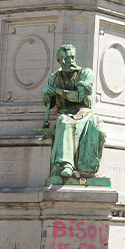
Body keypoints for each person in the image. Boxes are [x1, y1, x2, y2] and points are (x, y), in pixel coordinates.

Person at [42, 44, 104, 179]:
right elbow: (50, 103)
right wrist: (47, 94)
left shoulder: (86, 73)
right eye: (65, 58)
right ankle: (67, 164)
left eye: (72, 57)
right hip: (65, 113)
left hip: (85, 112)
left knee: (97, 128)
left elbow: (80, 96)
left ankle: (89, 167)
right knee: (64, 123)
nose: (70, 61)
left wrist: (58, 91)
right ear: (59, 60)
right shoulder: (54, 77)